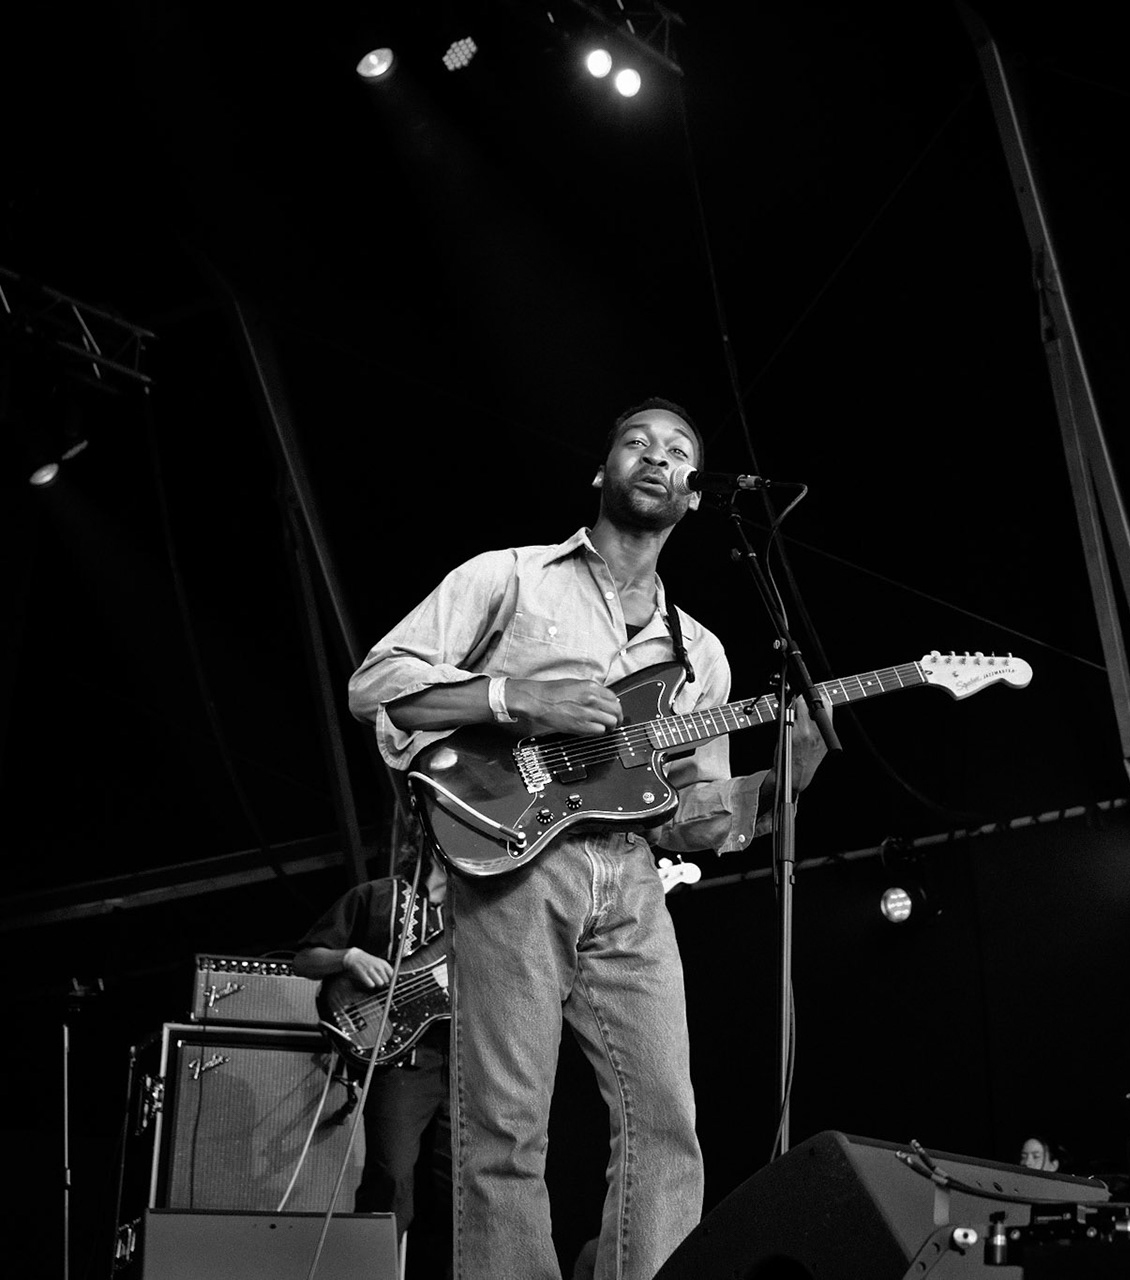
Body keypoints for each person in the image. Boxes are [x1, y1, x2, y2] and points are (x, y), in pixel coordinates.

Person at [346, 399, 831, 1280]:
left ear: (692, 496)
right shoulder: (513, 578)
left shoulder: (703, 654)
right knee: (506, 1123)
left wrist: (780, 780)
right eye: (636, 443)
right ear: (601, 473)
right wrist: (512, 699)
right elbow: (378, 682)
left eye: (679, 451)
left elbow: (687, 810)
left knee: (666, 1119)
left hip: (634, 877)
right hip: (515, 861)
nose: (659, 457)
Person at [292, 857, 452, 1279]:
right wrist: (348, 957)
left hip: (472, 1065)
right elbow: (305, 961)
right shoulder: (376, 896)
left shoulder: (486, 910)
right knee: (391, 1181)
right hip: (403, 1063)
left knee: (470, 1192)